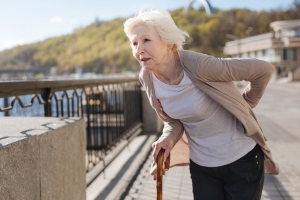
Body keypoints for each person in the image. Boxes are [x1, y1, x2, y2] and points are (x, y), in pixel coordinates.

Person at [123, 10, 279, 200]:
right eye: (134, 43)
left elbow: (263, 70)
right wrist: (168, 138)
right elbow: (173, 120)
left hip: (241, 159)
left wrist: (246, 104)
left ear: (168, 42)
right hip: (202, 167)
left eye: (146, 40)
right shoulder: (147, 77)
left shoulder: (198, 65)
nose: (139, 50)